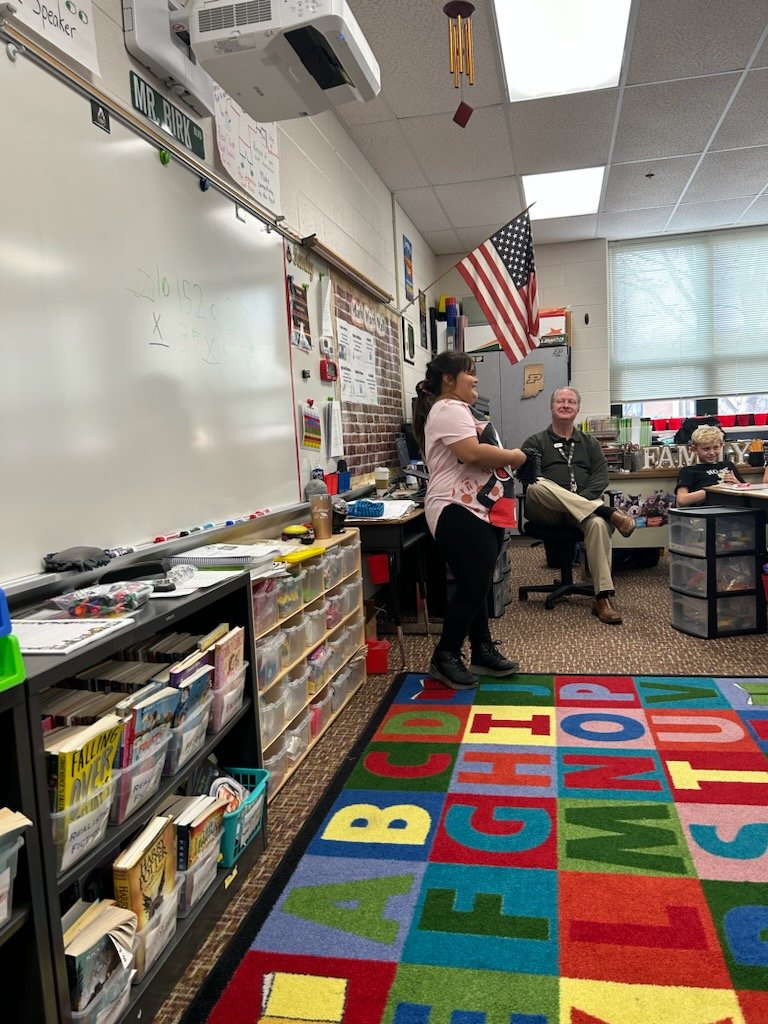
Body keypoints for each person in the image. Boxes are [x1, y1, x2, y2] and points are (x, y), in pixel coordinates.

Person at [412, 351, 538, 689]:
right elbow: (470, 453)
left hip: (478, 506)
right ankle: (445, 654)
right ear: (449, 380)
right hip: (455, 506)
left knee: (479, 581)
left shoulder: (460, 409)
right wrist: (515, 456)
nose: (476, 380)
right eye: (470, 374)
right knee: (472, 585)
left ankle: (481, 650)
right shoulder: (447, 408)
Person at [521, 387, 636, 626]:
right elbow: (527, 475)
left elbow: (601, 477)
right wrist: (588, 504)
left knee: (596, 524)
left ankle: (602, 597)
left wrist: (580, 501)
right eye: (560, 401)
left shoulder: (590, 443)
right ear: (551, 407)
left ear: (577, 408)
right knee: (535, 485)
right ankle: (606, 511)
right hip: (546, 511)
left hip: (580, 512)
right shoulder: (535, 441)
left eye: (571, 402)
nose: (565, 405)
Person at [675, 424, 745, 506]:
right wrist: (715, 490)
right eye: (706, 449)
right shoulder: (688, 471)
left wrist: (736, 483)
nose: (712, 453)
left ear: (721, 446)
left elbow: (747, 490)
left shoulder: (728, 466)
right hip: (705, 513)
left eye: (716, 448)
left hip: (733, 510)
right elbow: (682, 500)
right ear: (694, 449)